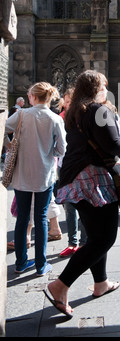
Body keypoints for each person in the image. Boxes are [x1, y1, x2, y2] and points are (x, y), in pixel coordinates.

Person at [44, 70, 120, 317]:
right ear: (96, 87)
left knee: (94, 236)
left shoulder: (74, 111)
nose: (106, 89)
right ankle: (60, 285)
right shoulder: (98, 111)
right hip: (94, 180)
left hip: (74, 178)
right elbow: (115, 146)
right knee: (105, 239)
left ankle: (100, 283)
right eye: (104, 85)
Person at [3, 82, 66, 276]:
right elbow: (62, 148)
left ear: (32, 97)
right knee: (40, 218)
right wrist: (50, 152)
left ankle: (21, 262)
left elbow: (2, 128)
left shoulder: (22, 114)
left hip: (22, 174)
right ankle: (41, 264)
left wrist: (9, 145)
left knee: (22, 218)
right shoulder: (55, 118)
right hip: (44, 175)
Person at [57, 87, 87, 257]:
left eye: (70, 102)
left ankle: (84, 242)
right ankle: (72, 242)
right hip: (65, 166)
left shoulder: (83, 118)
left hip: (81, 166)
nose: (68, 105)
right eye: (66, 102)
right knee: (69, 205)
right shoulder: (60, 119)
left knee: (83, 204)